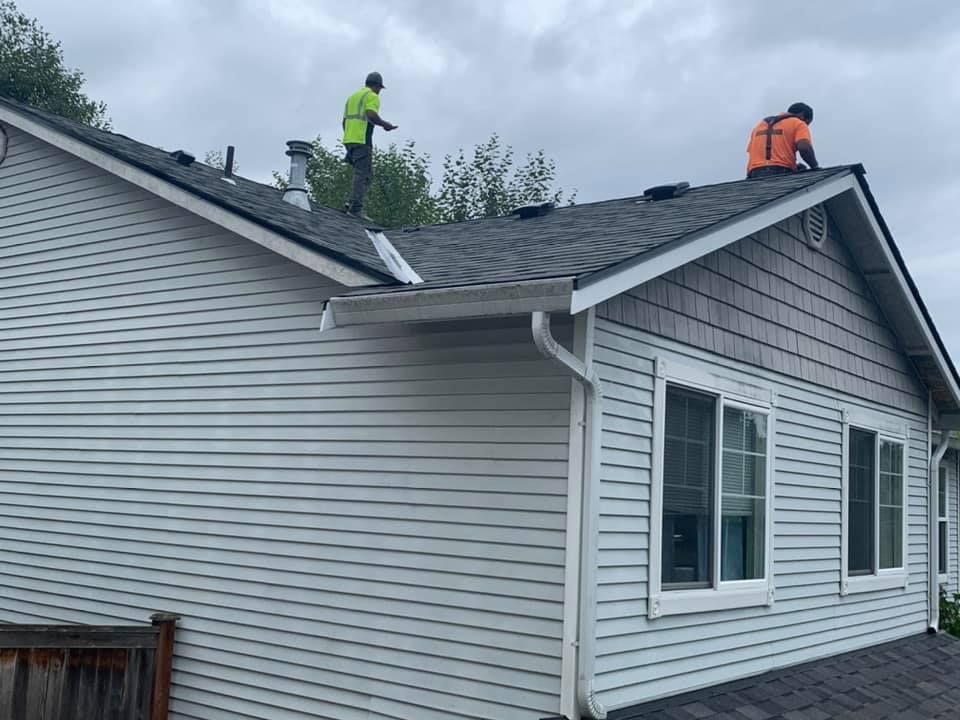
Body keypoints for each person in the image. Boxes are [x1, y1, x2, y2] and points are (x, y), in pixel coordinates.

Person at [342, 71, 397, 220]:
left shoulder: (352, 97)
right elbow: (371, 114)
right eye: (380, 88)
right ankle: (355, 209)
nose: (380, 92)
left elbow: (344, 121)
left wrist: (349, 139)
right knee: (363, 174)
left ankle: (353, 202)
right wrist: (385, 125)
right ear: (377, 86)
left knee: (367, 174)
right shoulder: (372, 96)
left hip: (350, 140)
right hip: (362, 140)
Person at [746, 102, 819, 179]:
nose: (806, 126)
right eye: (807, 123)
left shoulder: (759, 126)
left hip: (754, 174)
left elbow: (754, 154)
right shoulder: (798, 123)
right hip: (781, 172)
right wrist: (815, 167)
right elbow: (804, 148)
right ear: (802, 115)